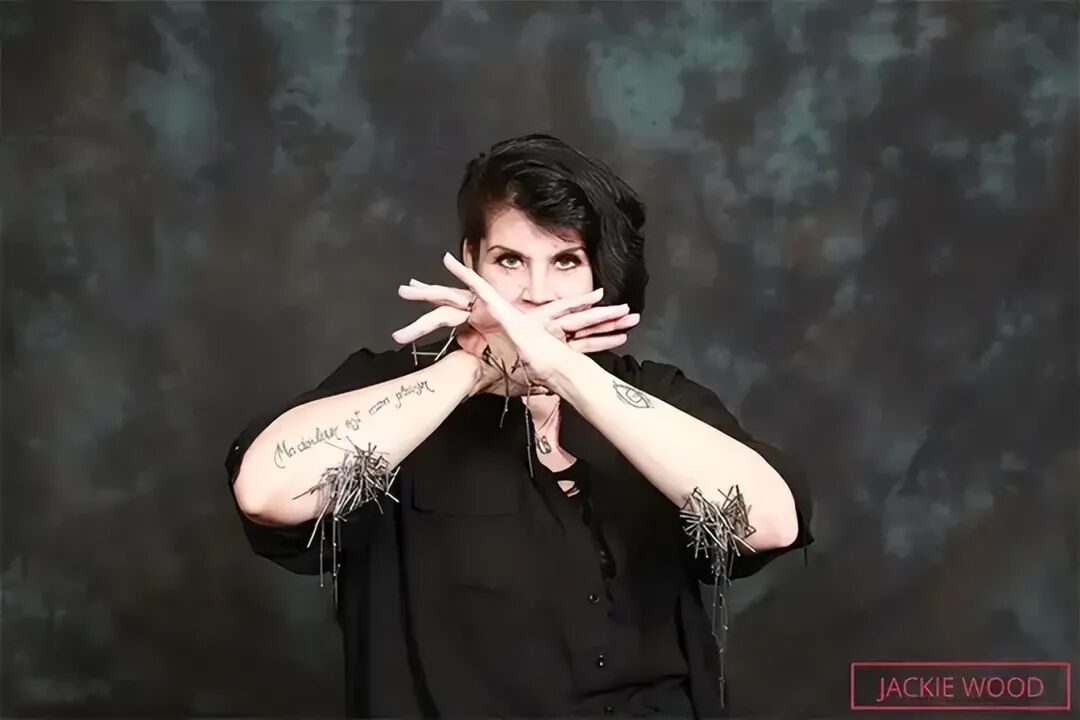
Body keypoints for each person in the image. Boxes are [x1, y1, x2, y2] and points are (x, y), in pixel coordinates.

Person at [224, 134, 814, 718]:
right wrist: (477, 366)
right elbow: (265, 491)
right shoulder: (389, 392)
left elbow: (770, 523)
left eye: (566, 262)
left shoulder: (655, 396)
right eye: (509, 261)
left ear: (597, 274)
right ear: (471, 262)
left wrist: (561, 369)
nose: (534, 294)